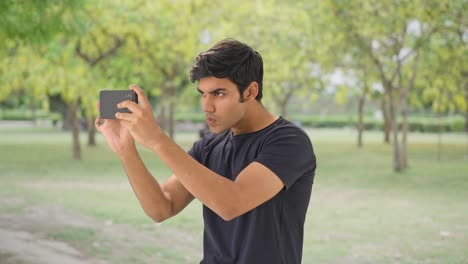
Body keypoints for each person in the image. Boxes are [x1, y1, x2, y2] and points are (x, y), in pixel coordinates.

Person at [95, 38, 317, 264]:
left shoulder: (289, 141)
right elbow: (162, 207)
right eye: (203, 93)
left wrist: (157, 139)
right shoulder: (208, 147)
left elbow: (231, 203)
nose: (206, 106)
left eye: (218, 93)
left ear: (250, 91)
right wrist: (125, 151)